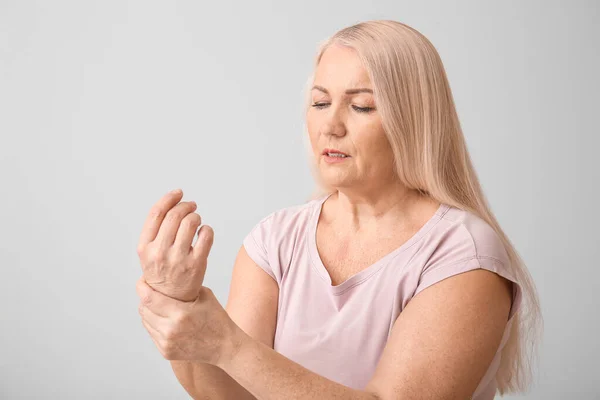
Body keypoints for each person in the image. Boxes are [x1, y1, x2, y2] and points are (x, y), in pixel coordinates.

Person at [135, 19, 542, 400]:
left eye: (361, 106)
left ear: (415, 119)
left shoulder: (463, 255)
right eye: (319, 103)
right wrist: (181, 306)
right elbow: (232, 394)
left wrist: (226, 343)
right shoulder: (276, 239)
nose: (331, 125)